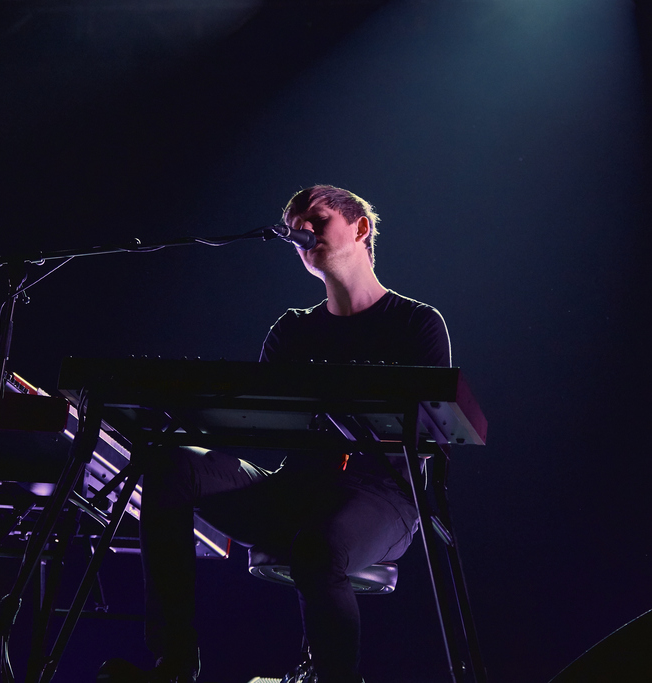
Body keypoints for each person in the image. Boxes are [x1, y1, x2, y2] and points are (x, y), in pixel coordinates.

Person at [98, 185, 451, 683]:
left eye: (316, 220)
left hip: (382, 495)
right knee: (171, 465)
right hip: (295, 487)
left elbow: (431, 434)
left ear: (360, 228)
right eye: (293, 228)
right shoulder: (292, 330)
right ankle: (173, 664)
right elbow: (263, 421)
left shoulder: (417, 323)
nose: (301, 233)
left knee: (317, 549)